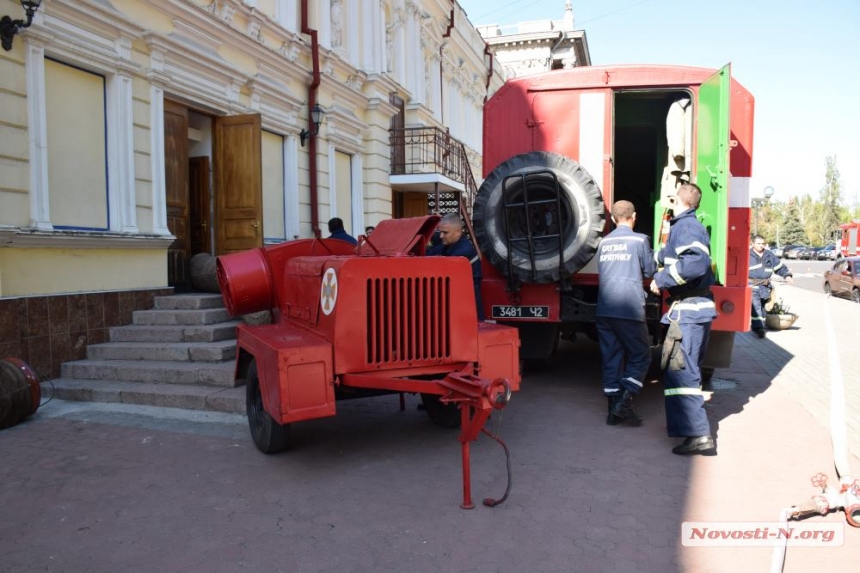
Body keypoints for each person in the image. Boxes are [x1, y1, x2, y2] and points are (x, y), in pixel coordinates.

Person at [649, 183, 717, 456]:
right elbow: (668, 256)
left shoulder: (686, 227)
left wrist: (661, 280)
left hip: (687, 312)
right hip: (695, 309)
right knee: (688, 371)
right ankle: (693, 431)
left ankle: (699, 435)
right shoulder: (686, 226)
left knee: (681, 372)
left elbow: (695, 263)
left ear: (678, 200)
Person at [596, 200, 656, 426]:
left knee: (612, 357)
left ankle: (613, 413)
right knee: (641, 356)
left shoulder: (603, 242)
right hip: (629, 307)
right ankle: (623, 401)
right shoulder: (640, 240)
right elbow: (649, 271)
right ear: (634, 216)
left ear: (612, 219)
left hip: (604, 307)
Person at [428, 213, 484, 320]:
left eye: (445, 233)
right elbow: (427, 255)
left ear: (458, 232)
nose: (441, 236)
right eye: (440, 232)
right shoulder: (447, 246)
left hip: (468, 311)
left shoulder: (464, 251)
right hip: (455, 306)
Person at [748, 234, 793, 338]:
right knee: (756, 307)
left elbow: (779, 266)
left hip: (765, 287)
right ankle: (758, 328)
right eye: (758, 243)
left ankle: (760, 326)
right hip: (753, 286)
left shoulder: (769, 255)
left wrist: (787, 276)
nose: (761, 246)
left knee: (764, 308)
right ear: (753, 244)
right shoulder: (747, 255)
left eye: (763, 243)